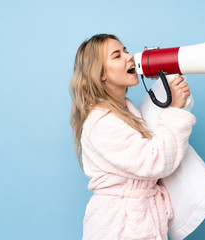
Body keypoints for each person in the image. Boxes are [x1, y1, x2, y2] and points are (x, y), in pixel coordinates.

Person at [69, 34, 196, 240]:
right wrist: (174, 112)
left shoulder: (127, 111)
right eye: (117, 55)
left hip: (138, 220)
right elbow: (154, 161)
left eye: (126, 50)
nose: (129, 57)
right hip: (117, 228)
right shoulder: (101, 123)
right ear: (100, 73)